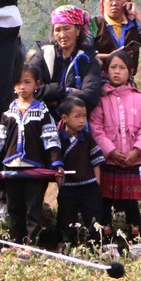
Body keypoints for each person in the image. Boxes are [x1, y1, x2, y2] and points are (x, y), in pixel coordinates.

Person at [0, 64, 61, 257]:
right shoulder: (8, 113)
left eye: (27, 82)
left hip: (35, 170)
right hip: (11, 168)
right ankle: (17, 242)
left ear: (37, 84)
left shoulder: (43, 113)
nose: (22, 87)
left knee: (32, 208)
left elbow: (51, 139)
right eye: (18, 83)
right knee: (13, 207)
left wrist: (56, 164)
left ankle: (31, 245)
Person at [91, 50, 141, 234]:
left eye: (122, 68)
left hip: (131, 161)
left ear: (130, 71)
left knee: (130, 202)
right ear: (106, 71)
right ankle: (105, 241)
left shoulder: (139, 99)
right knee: (105, 200)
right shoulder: (101, 99)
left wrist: (136, 151)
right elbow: (96, 128)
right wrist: (110, 151)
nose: (117, 72)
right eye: (113, 67)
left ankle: (135, 240)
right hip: (108, 161)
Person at [31, 5, 102, 118]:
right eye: (58, 30)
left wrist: (54, 101)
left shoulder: (88, 59)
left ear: (78, 30)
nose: (62, 35)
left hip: (75, 124)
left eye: (67, 28)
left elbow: (90, 96)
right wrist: (66, 91)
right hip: (42, 120)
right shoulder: (44, 55)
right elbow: (32, 89)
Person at [56, 96, 104, 246]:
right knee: (66, 217)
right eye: (77, 117)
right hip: (68, 187)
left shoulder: (87, 137)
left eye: (84, 116)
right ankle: (65, 244)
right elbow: (57, 166)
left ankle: (95, 245)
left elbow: (96, 161)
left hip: (88, 185)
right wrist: (61, 186)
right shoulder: (58, 139)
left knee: (94, 217)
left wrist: (97, 183)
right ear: (64, 118)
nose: (82, 120)